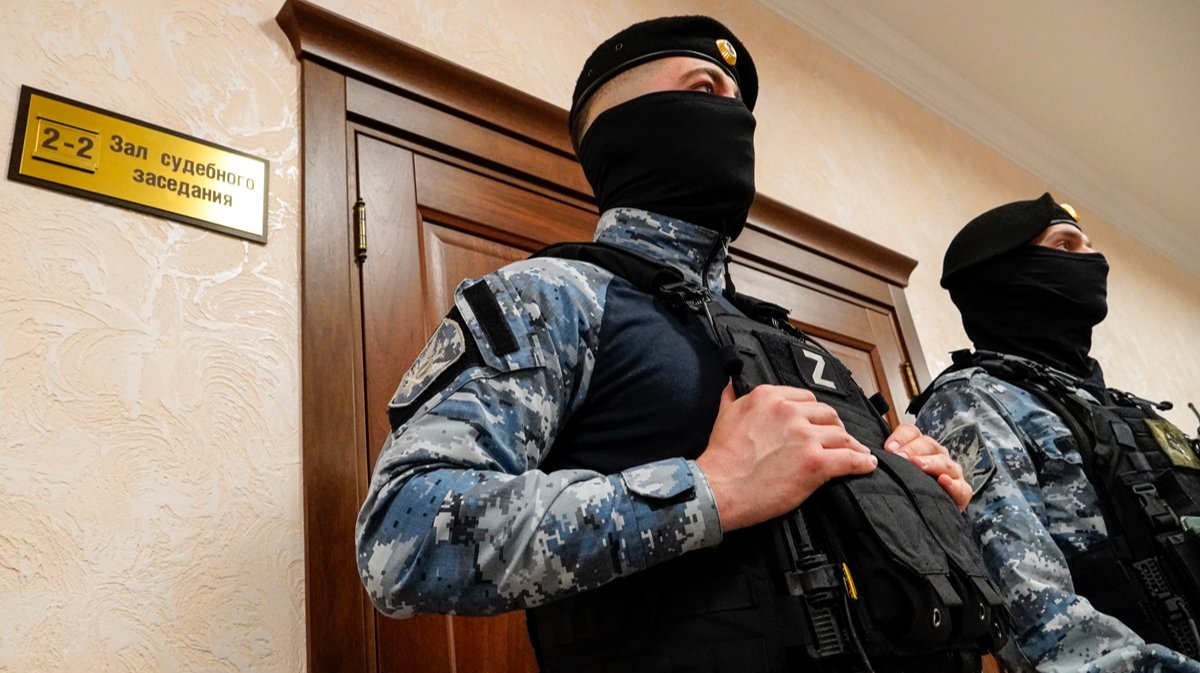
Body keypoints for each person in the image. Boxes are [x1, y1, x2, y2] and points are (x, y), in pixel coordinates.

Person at [357, 16, 977, 672]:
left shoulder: (791, 343)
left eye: (741, 104)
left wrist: (912, 497)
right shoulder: (554, 295)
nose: (735, 117)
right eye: (706, 88)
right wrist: (711, 488)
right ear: (618, 124)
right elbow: (400, 537)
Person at [912, 193, 1200, 673]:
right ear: (1006, 275)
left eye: (1090, 247)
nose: (1095, 261)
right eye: (1066, 246)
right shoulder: (970, 402)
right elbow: (1039, 618)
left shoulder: (1116, 406)